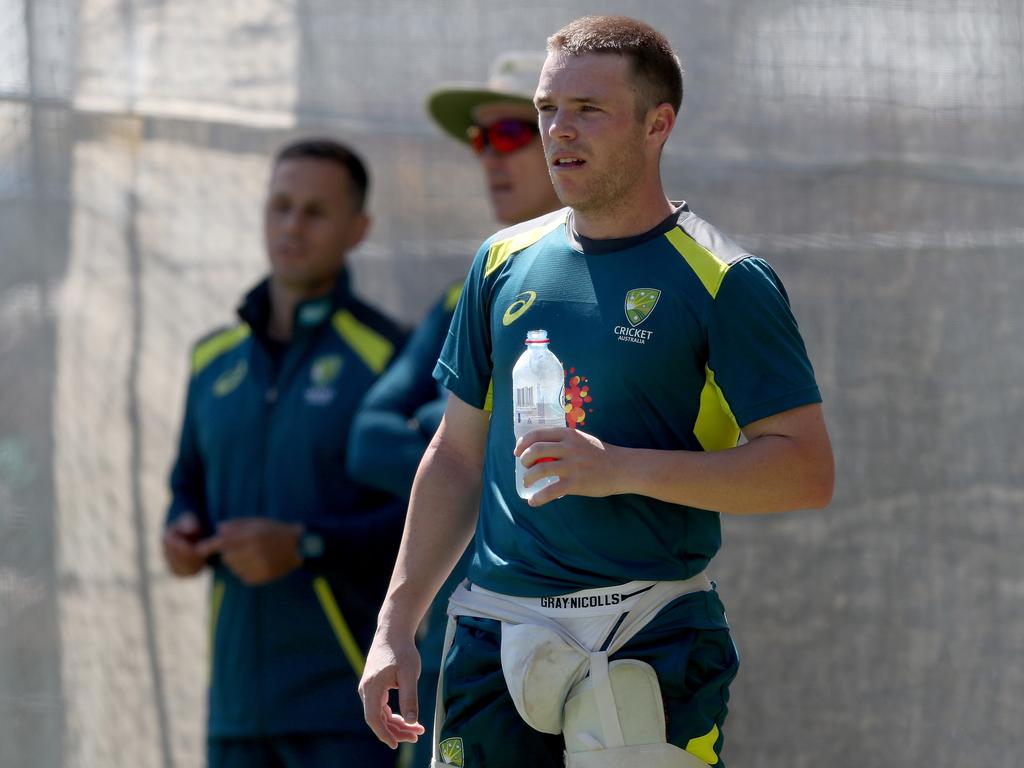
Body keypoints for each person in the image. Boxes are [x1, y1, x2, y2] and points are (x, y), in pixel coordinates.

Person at [360, 15, 834, 768]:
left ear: (658, 124)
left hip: (647, 627)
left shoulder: (727, 280)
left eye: (588, 110)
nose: (559, 132)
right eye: (548, 109)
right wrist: (395, 624)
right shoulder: (502, 260)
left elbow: (804, 471)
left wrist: (618, 467)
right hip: (492, 628)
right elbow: (454, 455)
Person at [162, 137, 407, 768]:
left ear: (358, 229)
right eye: (280, 206)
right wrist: (180, 530)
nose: (292, 225)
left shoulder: (391, 359)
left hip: (352, 709)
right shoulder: (211, 359)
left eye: (315, 212)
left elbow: (431, 519)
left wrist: (305, 543)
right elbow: (186, 483)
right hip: (236, 713)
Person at [346, 51, 562, 767]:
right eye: (480, 140)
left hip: (598, 637)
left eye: (510, 134)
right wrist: (473, 453)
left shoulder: (632, 292)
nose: (489, 158)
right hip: (467, 641)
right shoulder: (467, 296)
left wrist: (481, 451)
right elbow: (369, 439)